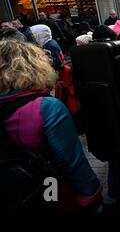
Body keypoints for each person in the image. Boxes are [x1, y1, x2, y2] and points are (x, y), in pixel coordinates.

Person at [0, 40, 102, 211]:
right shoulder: (46, 107)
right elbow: (71, 161)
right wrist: (91, 195)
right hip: (48, 187)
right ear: (35, 66)